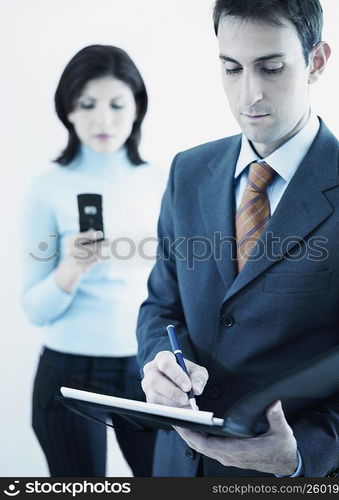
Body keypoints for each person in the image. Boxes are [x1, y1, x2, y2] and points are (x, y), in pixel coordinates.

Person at [137, 0, 339, 478]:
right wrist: (159, 365)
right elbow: (160, 307)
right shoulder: (188, 171)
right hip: (178, 467)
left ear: (316, 62)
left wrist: (301, 455)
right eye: (231, 69)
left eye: (271, 67)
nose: (249, 94)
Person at [22, 44, 165, 477]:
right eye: (87, 105)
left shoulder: (163, 181)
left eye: (117, 104)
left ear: (137, 108)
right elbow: (35, 309)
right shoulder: (46, 189)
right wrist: (70, 271)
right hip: (67, 371)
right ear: (68, 111)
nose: (103, 120)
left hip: (146, 367)